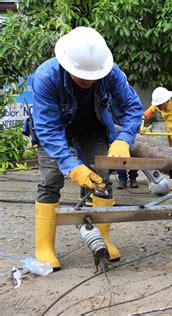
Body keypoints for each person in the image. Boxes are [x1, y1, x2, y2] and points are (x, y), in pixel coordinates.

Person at [26, 27, 143, 269]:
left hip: (91, 126)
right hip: (54, 128)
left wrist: (124, 139)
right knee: (51, 179)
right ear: (67, 66)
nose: (89, 81)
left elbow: (133, 107)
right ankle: (44, 248)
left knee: (101, 178)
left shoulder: (111, 73)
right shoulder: (46, 76)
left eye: (94, 77)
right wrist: (71, 166)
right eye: (82, 77)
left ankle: (102, 239)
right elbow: (48, 128)